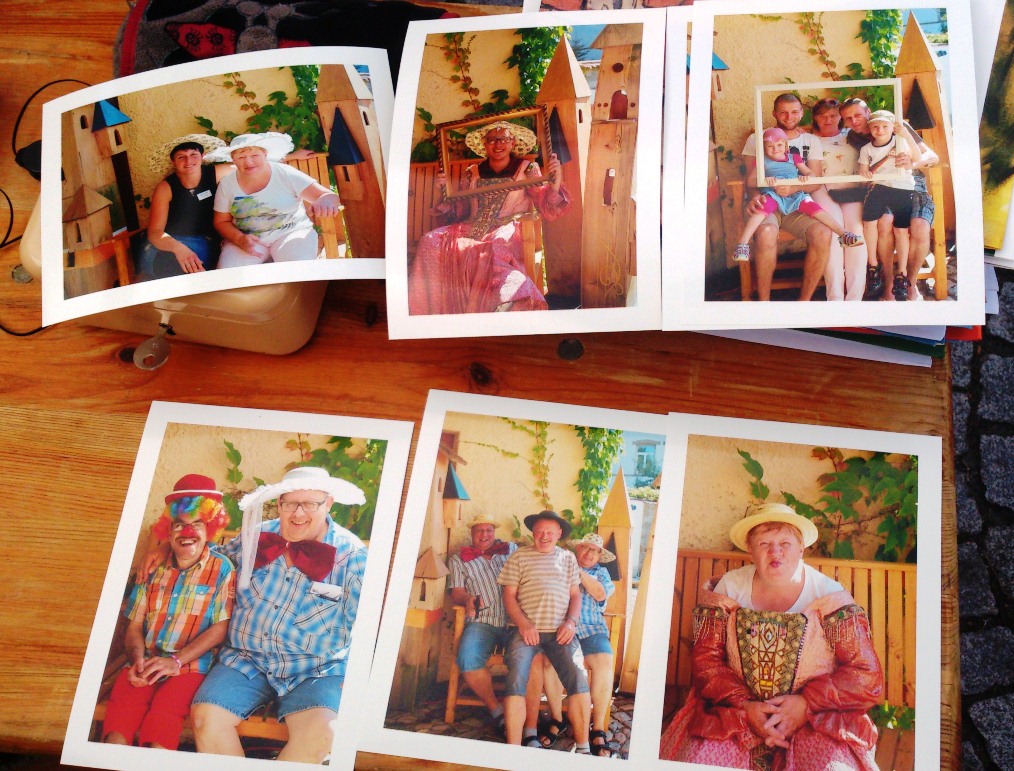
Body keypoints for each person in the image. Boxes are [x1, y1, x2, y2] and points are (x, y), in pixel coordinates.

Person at [659, 503, 884, 769]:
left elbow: (866, 674)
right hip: (734, 714)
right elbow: (707, 662)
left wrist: (806, 704)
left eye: (785, 543)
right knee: (702, 760)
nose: (775, 552)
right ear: (750, 550)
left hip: (816, 719)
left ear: (801, 548)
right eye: (764, 543)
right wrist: (745, 707)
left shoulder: (828, 594)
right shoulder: (730, 587)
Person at [188, 466, 367, 763]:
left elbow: (372, 626)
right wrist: (165, 553)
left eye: (309, 504)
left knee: (324, 732)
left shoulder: (353, 557)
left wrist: (358, 678)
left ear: (328, 504)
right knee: (206, 717)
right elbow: (210, 563)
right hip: (245, 659)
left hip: (315, 668)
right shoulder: (255, 537)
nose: (298, 513)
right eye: (290, 503)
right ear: (279, 503)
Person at [102, 474, 234, 750]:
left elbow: (220, 628)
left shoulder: (222, 569)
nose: (188, 532)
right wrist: (137, 660)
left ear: (210, 529)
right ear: (169, 530)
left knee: (162, 724)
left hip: (189, 667)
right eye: (179, 525)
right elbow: (135, 624)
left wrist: (175, 661)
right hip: (145, 659)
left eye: (197, 523)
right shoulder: (152, 569)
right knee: (118, 726)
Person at [408, 121, 570, 315]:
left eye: (504, 139)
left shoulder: (527, 169)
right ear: (484, 144)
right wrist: (442, 190)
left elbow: (544, 202)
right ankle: (430, 311)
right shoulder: (472, 173)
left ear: (512, 143)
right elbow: (460, 210)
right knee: (430, 240)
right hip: (469, 228)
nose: (498, 143)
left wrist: (555, 180)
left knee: (489, 253)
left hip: (504, 231)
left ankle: (509, 302)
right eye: (492, 139)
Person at [497, 510, 591, 753]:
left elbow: (575, 595)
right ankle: (512, 750)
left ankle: (584, 748)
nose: (544, 536)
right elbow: (509, 596)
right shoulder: (519, 556)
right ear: (533, 533)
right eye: (539, 531)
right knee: (516, 678)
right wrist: (523, 623)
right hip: (524, 631)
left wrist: (571, 622)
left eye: (550, 532)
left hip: (560, 632)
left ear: (559, 534)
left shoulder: (568, 558)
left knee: (578, 676)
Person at [840, 98, 939, 301]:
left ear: (868, 112)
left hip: (912, 183)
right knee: (884, 222)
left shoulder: (896, 125)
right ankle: (889, 282)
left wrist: (912, 162)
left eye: (857, 115)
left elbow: (932, 156)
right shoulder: (853, 138)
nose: (854, 121)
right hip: (882, 185)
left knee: (920, 226)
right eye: (848, 118)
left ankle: (909, 283)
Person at [740, 94, 832, 301]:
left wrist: (792, 189)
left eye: (794, 112)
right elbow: (751, 178)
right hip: (767, 201)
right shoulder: (757, 138)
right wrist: (754, 197)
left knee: (823, 233)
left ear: (801, 113)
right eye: (783, 112)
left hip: (796, 202)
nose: (789, 117)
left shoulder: (811, 140)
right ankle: (764, 302)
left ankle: (803, 303)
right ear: (774, 113)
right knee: (766, 232)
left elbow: (815, 181)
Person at [535, 532, 618, 756]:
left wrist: (577, 570)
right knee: (549, 664)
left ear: (600, 556)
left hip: (592, 629)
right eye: (586, 548)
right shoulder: (559, 566)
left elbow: (600, 594)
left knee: (604, 663)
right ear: (577, 549)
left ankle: (598, 728)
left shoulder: (601, 573)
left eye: (595, 551)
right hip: (562, 628)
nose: (590, 553)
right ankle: (557, 719)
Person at [208, 132, 343, 268]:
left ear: (265, 154)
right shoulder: (227, 184)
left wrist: (325, 201)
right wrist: (239, 239)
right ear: (233, 159)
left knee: (297, 268)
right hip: (247, 240)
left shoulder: (285, 173)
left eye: (254, 155)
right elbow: (221, 221)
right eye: (241, 157)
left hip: (290, 233)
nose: (248, 162)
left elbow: (327, 195)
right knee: (231, 274)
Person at [732, 127, 863, 264]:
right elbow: (751, 181)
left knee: (816, 209)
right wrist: (765, 180)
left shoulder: (793, 158)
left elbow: (811, 174)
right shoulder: (762, 161)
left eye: (779, 145)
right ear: (764, 148)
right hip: (774, 194)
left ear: (786, 146)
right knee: (761, 210)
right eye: (770, 146)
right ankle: (742, 244)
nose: (775, 149)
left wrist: (805, 177)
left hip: (795, 196)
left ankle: (843, 234)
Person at [446, 512, 518, 734]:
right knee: (467, 659)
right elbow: (456, 592)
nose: (484, 535)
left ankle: (522, 711)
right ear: (472, 533)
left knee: (533, 657)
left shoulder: (511, 550)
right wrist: (468, 599)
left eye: (488, 530)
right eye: (479, 531)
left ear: (494, 532)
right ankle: (497, 711)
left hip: (515, 622)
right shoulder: (459, 559)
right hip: (482, 621)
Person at [135, 134, 231, 279]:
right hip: (165, 243)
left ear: (203, 156)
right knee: (170, 265)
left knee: (188, 267)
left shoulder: (215, 173)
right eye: (181, 157)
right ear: (173, 161)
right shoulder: (165, 188)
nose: (188, 161)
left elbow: (246, 166)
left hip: (202, 241)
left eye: (193, 155)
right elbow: (155, 232)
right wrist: (179, 249)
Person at [857, 110, 923, 302]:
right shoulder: (867, 149)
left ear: (892, 128)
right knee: (869, 221)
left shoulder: (900, 142)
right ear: (870, 128)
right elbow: (863, 170)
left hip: (902, 188)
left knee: (901, 230)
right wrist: (865, 173)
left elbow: (917, 157)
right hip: (880, 186)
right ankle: (873, 265)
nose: (880, 130)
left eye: (885, 126)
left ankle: (901, 273)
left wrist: (906, 134)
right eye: (876, 127)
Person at [808, 99, 869, 301]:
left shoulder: (852, 135)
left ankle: (854, 298)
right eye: (822, 116)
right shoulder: (808, 139)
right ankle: (835, 296)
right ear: (815, 118)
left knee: (855, 230)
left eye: (833, 115)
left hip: (852, 190)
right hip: (822, 189)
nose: (828, 120)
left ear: (840, 117)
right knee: (834, 230)